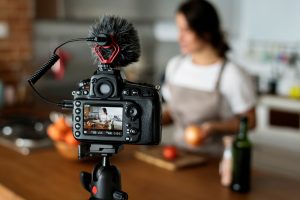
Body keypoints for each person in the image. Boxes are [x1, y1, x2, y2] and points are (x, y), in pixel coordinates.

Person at [162, 0, 256, 153]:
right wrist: (151, 121)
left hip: (215, 160)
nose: (180, 37)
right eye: (179, 29)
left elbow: (250, 121)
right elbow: (172, 112)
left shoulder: (231, 74)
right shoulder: (175, 66)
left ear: (206, 32)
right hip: (179, 154)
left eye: (186, 30)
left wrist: (214, 127)